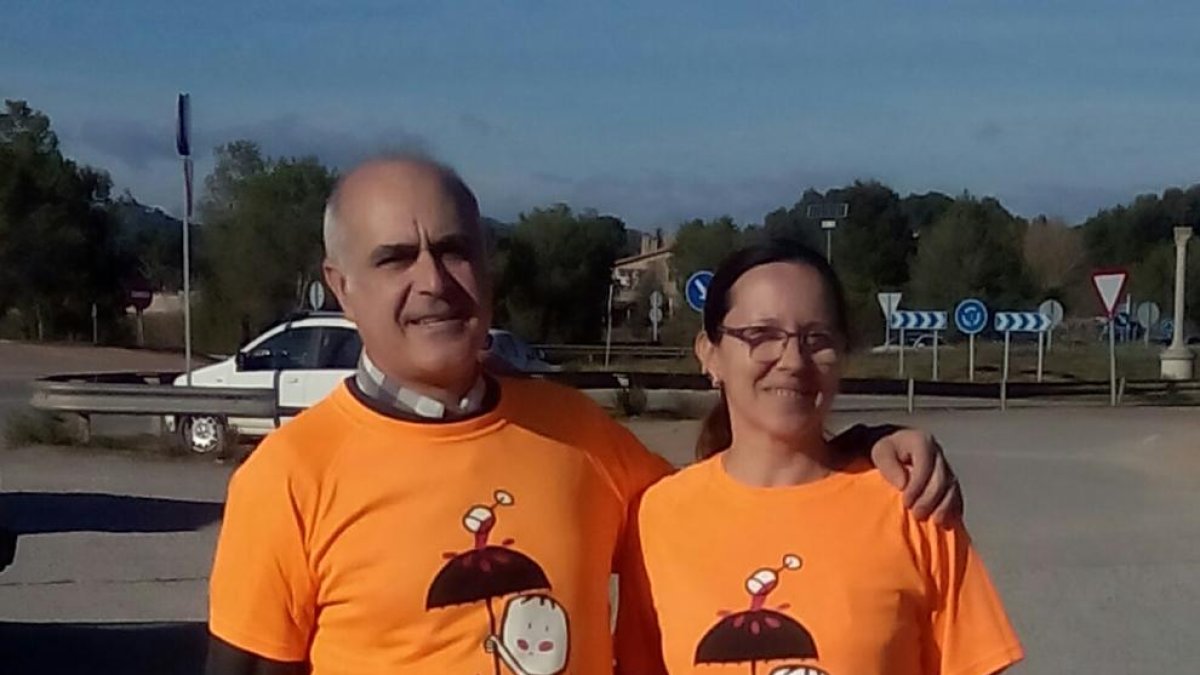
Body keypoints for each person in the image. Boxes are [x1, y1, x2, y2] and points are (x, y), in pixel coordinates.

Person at [205, 156, 964, 675]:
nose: (433, 281)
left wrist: (862, 448)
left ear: (488, 264)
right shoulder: (288, 477)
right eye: (395, 257)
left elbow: (738, 506)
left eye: (455, 250)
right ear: (340, 285)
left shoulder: (577, 435)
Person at [630, 239, 1023, 675]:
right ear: (710, 354)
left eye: (817, 339)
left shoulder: (913, 505)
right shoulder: (656, 519)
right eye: (762, 336)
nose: (793, 361)